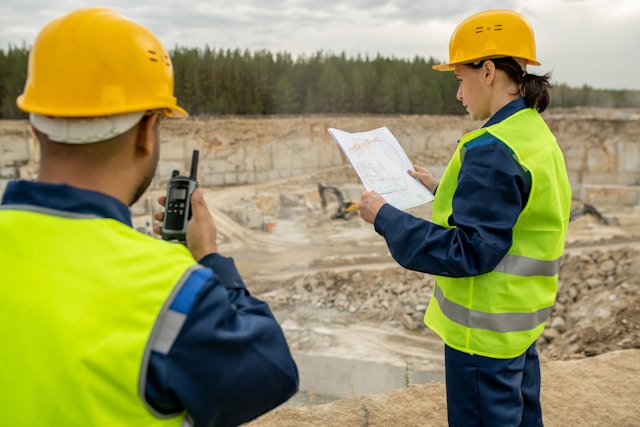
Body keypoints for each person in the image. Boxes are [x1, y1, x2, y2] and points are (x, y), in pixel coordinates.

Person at [0, 8, 298, 427]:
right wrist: (209, 259)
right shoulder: (174, 289)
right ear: (145, 132)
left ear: (35, 129)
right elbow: (272, 373)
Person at [358, 9, 571, 427]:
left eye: (460, 79)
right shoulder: (531, 133)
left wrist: (384, 217)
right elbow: (514, 211)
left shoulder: (492, 148)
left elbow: (469, 251)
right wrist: (443, 188)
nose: (459, 94)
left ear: (488, 71)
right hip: (516, 325)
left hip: (482, 334)